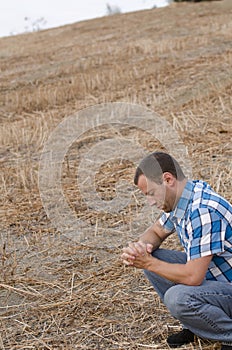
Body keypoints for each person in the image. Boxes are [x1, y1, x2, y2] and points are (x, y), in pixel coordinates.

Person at [121, 152, 232, 349]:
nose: (151, 202)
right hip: (217, 279)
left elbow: (193, 277)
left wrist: (148, 262)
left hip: (226, 286)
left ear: (168, 179)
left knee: (177, 297)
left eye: (151, 193)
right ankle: (195, 324)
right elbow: (156, 231)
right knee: (154, 256)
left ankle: (228, 336)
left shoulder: (203, 210)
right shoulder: (183, 199)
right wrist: (140, 248)